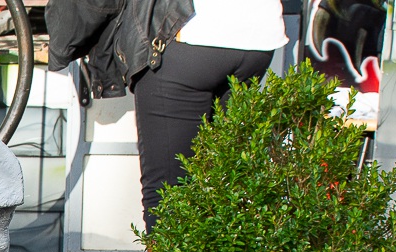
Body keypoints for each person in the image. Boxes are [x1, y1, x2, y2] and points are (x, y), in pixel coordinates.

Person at [48, 0, 287, 230]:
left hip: (190, 35)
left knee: (167, 194)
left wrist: (61, 43)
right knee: (225, 180)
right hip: (259, 37)